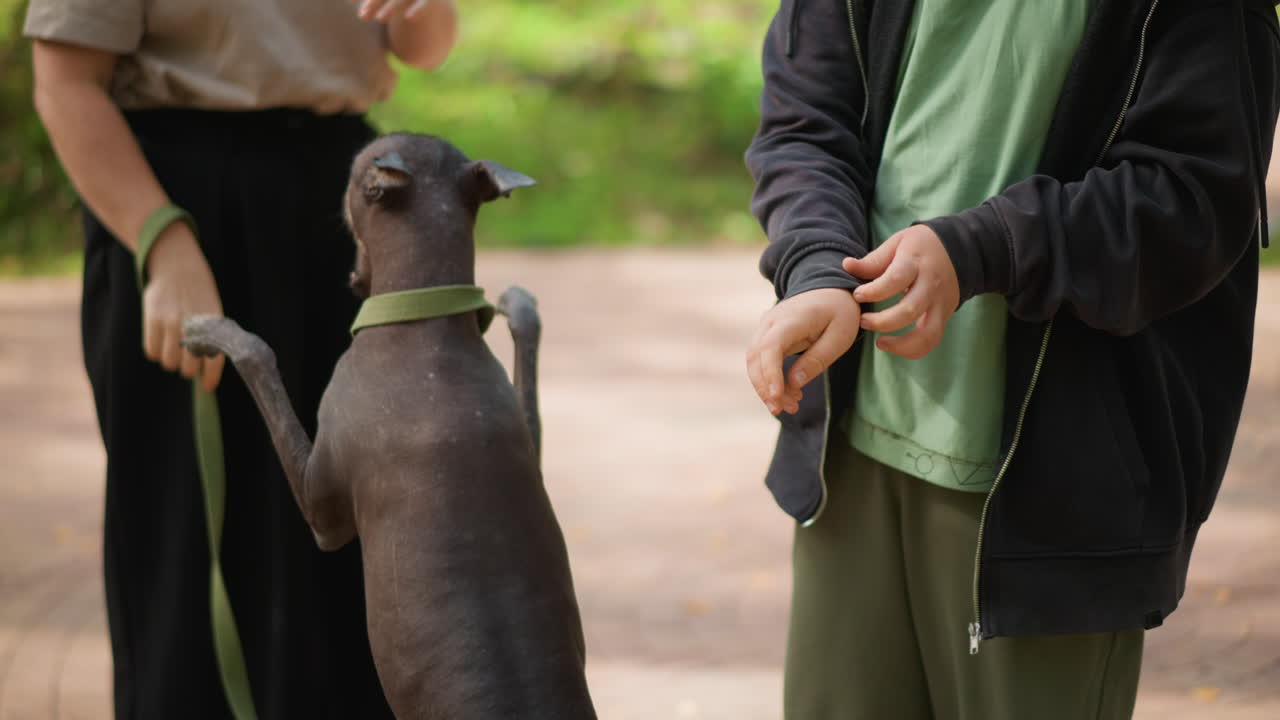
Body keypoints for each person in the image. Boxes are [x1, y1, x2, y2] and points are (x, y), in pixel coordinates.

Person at [744, 1, 1280, 718]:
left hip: (1055, 492)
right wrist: (817, 270)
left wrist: (981, 250)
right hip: (851, 454)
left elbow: (1193, 198)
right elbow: (805, 118)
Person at [26, 1, 456, 717]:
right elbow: (64, 85)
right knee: (191, 550)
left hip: (347, 207)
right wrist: (164, 244)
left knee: (361, 543)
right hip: (173, 208)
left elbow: (424, 46)